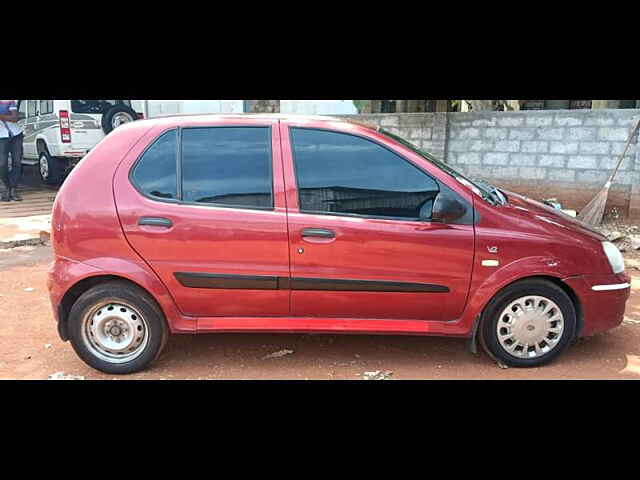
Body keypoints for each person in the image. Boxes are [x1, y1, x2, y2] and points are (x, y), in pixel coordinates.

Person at [0, 99, 24, 202]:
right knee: (2, 164)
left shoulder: (8, 101)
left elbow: (15, 118)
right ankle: (6, 188)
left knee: (17, 162)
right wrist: (6, 116)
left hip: (15, 135)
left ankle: (13, 189)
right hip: (1, 136)